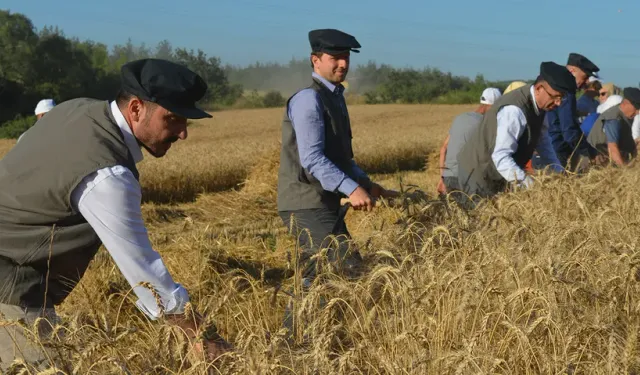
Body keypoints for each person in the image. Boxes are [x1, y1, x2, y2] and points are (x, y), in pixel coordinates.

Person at [0, 59, 230, 372]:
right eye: (173, 119)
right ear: (136, 108)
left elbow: (28, 146)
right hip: (10, 285)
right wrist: (202, 335)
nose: (182, 133)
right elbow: (144, 272)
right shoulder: (107, 174)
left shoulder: (75, 109)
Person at [277, 29, 398, 285]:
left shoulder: (335, 99)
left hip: (322, 203)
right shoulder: (308, 99)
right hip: (305, 203)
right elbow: (312, 159)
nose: (343, 64)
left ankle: (304, 325)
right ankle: (296, 327)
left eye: (346, 57)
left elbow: (342, 159)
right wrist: (352, 189)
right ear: (315, 60)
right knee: (344, 269)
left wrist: (368, 185)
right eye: (335, 58)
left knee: (327, 274)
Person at [456, 62, 576, 205]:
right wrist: (533, 188)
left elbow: (543, 141)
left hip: (498, 174)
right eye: (555, 97)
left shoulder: (541, 106)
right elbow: (501, 157)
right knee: (480, 220)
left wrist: (558, 173)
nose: (558, 103)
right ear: (539, 88)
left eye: (561, 98)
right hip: (479, 173)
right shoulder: (514, 111)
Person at [437, 87, 501, 194]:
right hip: (467, 179)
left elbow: (443, 149)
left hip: (448, 178)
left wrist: (442, 178)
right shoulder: (485, 125)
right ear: (492, 106)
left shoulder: (459, 118)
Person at [546, 53, 600, 172]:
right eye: (585, 77)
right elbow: (569, 130)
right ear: (572, 70)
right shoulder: (567, 92)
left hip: (545, 148)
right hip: (557, 152)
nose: (585, 82)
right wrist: (587, 151)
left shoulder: (552, 85)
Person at [586, 87, 640, 166]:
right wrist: (625, 172)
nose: (638, 112)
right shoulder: (613, 118)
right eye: (636, 108)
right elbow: (612, 148)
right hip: (597, 160)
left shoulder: (627, 115)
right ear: (626, 103)